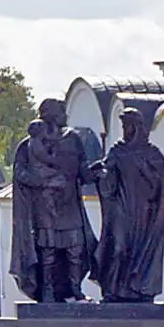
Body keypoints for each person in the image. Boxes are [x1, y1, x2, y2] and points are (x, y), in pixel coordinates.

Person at [10, 98, 99, 303]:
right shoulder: (29, 144)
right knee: (48, 252)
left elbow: (84, 172)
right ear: (51, 115)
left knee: (76, 250)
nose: (66, 116)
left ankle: (75, 290)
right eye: (62, 112)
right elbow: (20, 173)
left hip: (70, 207)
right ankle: (48, 292)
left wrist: (100, 172)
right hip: (45, 208)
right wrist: (44, 181)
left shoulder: (73, 139)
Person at [91, 107, 164, 303]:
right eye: (123, 125)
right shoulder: (118, 150)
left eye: (128, 125)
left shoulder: (152, 153)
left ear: (137, 127)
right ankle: (113, 290)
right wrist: (101, 174)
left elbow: (161, 185)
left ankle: (138, 290)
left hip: (145, 212)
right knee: (118, 247)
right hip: (121, 208)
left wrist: (145, 171)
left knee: (141, 251)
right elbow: (107, 173)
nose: (125, 129)